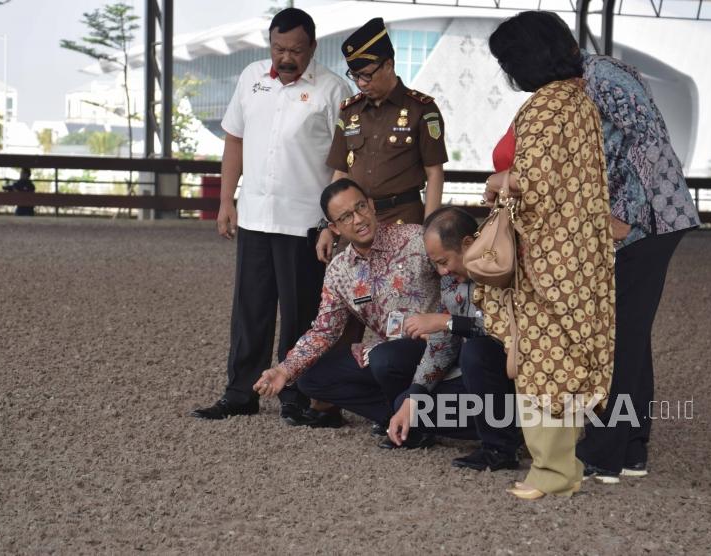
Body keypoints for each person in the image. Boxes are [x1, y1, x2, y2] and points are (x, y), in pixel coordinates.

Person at [191, 8, 351, 425]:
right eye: (278, 48)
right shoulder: (250, 77)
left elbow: (344, 162)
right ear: (270, 45)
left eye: (295, 50)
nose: (285, 57)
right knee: (250, 309)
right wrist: (227, 201)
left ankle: (296, 393)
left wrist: (332, 223)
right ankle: (240, 391)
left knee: (301, 313)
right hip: (255, 216)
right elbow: (234, 141)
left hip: (305, 222)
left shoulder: (334, 89)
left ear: (312, 47)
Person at [484, 11, 616, 499]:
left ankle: (552, 473)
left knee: (541, 359)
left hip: (545, 257)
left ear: (525, 60)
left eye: (507, 61)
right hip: (577, 253)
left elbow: (531, 184)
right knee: (563, 357)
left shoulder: (545, 107)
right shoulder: (579, 101)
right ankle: (565, 467)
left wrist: (496, 182)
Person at [573, 20, 700, 483]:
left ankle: (603, 453)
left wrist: (627, 217)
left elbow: (649, 141)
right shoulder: (584, 82)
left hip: (647, 221)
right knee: (631, 334)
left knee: (618, 337)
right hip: (641, 220)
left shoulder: (602, 79)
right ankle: (631, 450)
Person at [254, 178, 453, 448]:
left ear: (371, 205)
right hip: (392, 355)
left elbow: (457, 279)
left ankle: (412, 425)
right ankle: (396, 415)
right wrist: (284, 370)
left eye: (361, 207)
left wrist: (450, 325)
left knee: (384, 357)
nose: (358, 219)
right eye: (346, 216)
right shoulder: (339, 270)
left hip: (437, 345)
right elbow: (325, 331)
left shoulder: (416, 239)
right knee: (311, 378)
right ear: (334, 227)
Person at [384, 206, 521, 468]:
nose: (442, 271)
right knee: (409, 405)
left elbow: (511, 330)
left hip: (520, 381)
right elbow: (441, 345)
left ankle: (500, 448)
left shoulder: (505, 267)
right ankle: (510, 426)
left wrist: (449, 322)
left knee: (477, 351)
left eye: (443, 262)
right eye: (436, 264)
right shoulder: (450, 281)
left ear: (468, 244)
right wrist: (415, 395)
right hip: (484, 390)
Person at [317, 17, 449, 263]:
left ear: (389, 64)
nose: (361, 84)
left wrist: (428, 230)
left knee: (405, 296)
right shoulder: (350, 111)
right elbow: (340, 174)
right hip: (355, 222)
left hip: (404, 219)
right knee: (358, 295)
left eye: (367, 75)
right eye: (354, 76)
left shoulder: (422, 109)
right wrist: (328, 226)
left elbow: (435, 174)